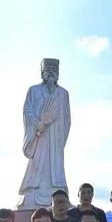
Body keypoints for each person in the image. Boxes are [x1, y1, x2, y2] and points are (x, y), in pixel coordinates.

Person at [18, 58, 71, 208]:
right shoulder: (34, 91)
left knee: (55, 163)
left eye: (54, 71)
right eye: (48, 70)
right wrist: (37, 123)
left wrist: (60, 139)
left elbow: (67, 118)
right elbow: (27, 110)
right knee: (38, 159)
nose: (51, 73)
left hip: (56, 136)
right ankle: (32, 193)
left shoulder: (63, 93)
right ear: (42, 72)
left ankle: (59, 194)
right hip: (39, 134)